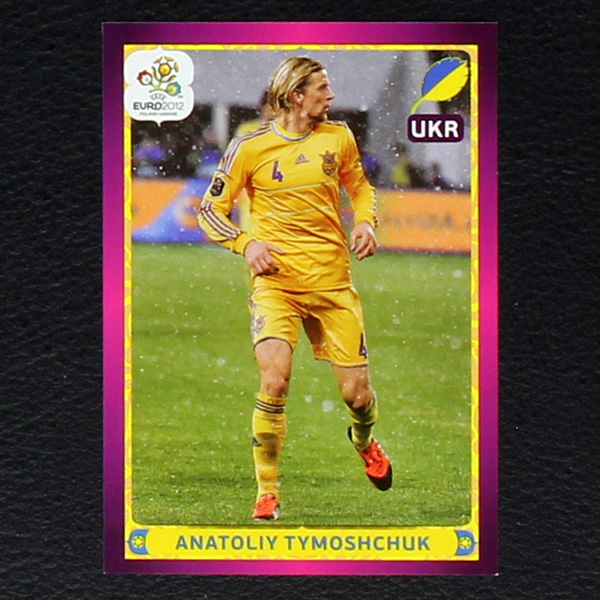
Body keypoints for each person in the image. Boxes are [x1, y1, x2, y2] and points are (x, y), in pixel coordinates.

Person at [197, 56, 392, 521]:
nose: (332, 96)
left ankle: (363, 439)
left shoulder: (338, 137)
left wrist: (366, 221)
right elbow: (209, 211)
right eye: (323, 88)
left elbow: (361, 188)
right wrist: (246, 244)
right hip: (276, 285)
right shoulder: (249, 147)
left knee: (357, 397)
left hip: (332, 284)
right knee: (274, 381)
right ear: (296, 95)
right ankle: (266, 492)